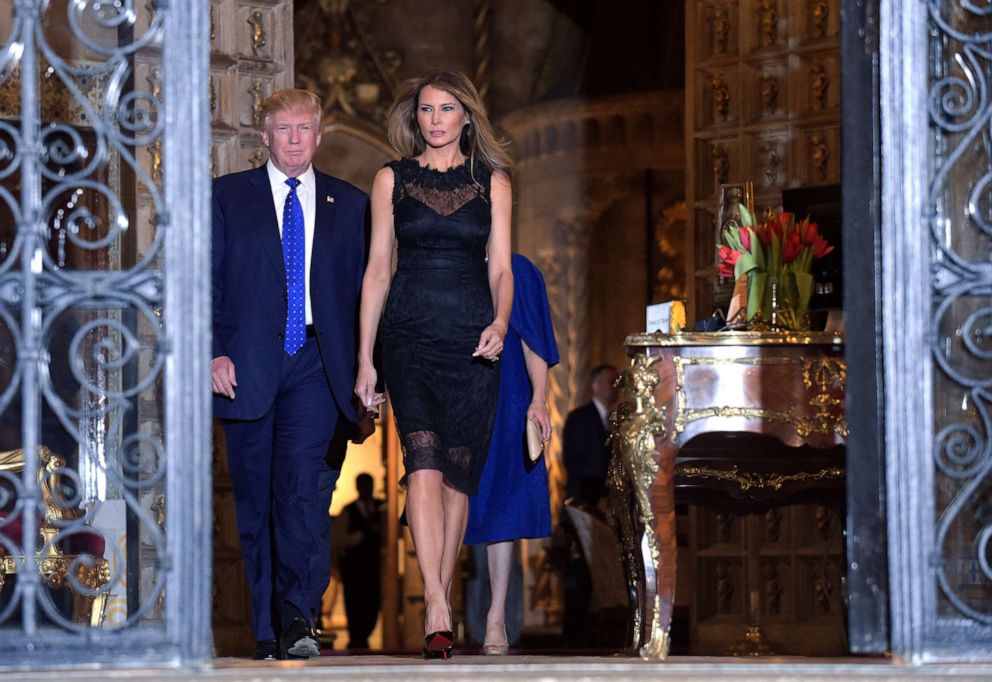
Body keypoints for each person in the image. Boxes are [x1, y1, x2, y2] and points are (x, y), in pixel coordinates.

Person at [354, 70, 513, 660]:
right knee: (421, 462)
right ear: (414, 117)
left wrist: (499, 322)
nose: (437, 119)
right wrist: (365, 359)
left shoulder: (492, 182)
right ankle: (436, 603)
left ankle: (437, 594)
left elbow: (501, 268)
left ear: (466, 117)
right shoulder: (390, 180)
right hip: (409, 336)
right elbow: (377, 269)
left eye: (448, 109)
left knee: (455, 479)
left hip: (473, 342)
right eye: (427, 110)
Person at [211, 88, 368, 661]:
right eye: (284, 129)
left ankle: (299, 616)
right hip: (247, 365)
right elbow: (204, 282)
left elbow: (364, 295)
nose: (295, 139)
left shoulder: (349, 205)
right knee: (255, 504)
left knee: (301, 494)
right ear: (264, 136)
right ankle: (264, 627)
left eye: (305, 129)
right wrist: (212, 351)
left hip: (317, 365)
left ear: (319, 135)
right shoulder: (227, 197)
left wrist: (368, 368)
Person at [463, 253, 559, 655]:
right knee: (448, 500)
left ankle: (496, 618)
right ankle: (439, 610)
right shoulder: (448, 257)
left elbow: (534, 336)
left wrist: (538, 399)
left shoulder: (518, 269)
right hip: (456, 388)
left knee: (503, 506)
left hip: (508, 391)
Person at [562, 364, 620, 507]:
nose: (617, 387)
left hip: (609, 497)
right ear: (596, 386)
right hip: (584, 497)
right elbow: (573, 460)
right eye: (612, 382)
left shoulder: (617, 419)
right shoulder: (579, 417)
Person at [339, 473, 384, 650]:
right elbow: (340, 539)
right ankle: (357, 640)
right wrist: (361, 536)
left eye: (369, 485)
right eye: (363, 485)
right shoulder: (348, 510)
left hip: (375, 567)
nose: (367, 489)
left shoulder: (382, 507)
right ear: (357, 487)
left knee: (373, 605)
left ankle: (365, 636)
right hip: (354, 568)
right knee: (354, 604)